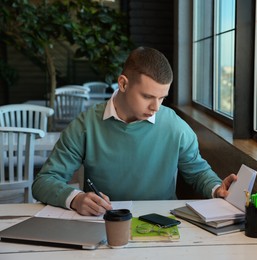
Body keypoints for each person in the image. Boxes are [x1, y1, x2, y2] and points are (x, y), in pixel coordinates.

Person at [32, 46, 237, 216]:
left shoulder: (175, 126)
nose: (156, 107)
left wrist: (216, 188)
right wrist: (75, 198)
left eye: (162, 98)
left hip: (162, 224)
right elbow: (44, 181)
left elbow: (198, 171)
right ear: (123, 83)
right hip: (104, 220)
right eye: (148, 96)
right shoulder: (86, 125)